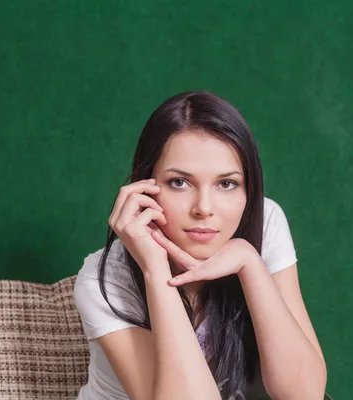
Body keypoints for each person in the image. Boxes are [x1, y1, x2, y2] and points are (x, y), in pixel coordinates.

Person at [74, 91, 327, 399]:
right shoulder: (104, 279)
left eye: (226, 183)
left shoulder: (264, 223)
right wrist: (155, 270)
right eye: (179, 182)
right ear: (144, 186)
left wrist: (250, 263)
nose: (204, 208)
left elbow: (304, 394)